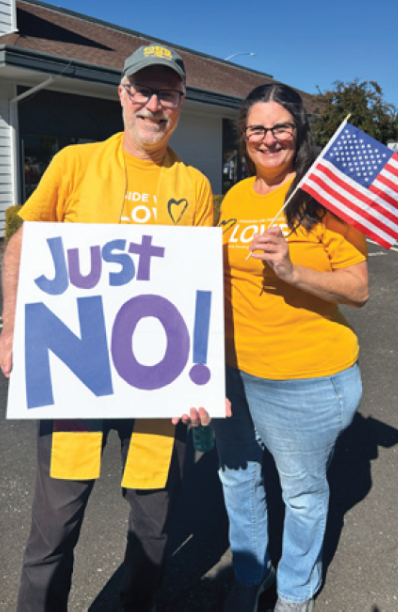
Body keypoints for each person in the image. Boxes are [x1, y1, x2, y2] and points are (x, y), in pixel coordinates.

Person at [0, 43, 215, 612]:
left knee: (153, 526)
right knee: (53, 529)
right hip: (77, 369)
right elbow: (24, 242)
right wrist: (9, 326)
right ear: (122, 95)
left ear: (181, 102)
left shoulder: (193, 187)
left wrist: (202, 378)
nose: (152, 103)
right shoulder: (75, 163)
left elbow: (200, 287)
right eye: (142, 90)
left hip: (158, 382)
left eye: (165, 92)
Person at [212, 83, 369, 612]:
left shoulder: (321, 198)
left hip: (303, 376)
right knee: (238, 479)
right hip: (234, 371)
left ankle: (296, 590)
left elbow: (359, 288)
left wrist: (291, 269)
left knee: (301, 495)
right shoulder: (232, 197)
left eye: (281, 127)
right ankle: (250, 574)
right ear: (244, 136)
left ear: (298, 133)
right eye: (258, 128)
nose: (269, 138)